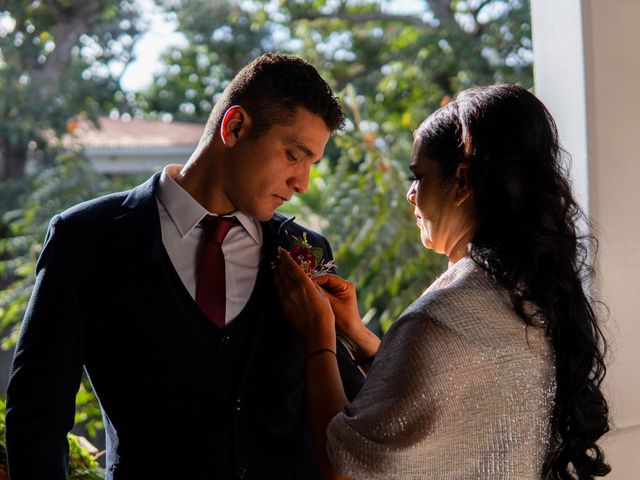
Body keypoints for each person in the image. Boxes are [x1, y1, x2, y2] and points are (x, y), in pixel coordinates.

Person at [6, 53, 364, 479]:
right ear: (234, 127)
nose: (302, 183)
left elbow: (348, 413)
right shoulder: (84, 239)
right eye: (292, 155)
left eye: (311, 164)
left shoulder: (305, 250)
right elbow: (36, 416)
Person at [275, 84, 611, 479]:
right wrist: (358, 336)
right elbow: (432, 402)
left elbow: (344, 468)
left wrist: (319, 336)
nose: (410, 195)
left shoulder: (441, 318)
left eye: (419, 176)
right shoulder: (528, 297)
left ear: (463, 182)